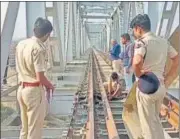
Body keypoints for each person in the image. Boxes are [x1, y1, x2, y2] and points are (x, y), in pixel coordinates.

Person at [130, 14, 178, 139]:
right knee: (155, 121)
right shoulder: (163, 41)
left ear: (138, 28)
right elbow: (176, 58)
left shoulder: (141, 42)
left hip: (147, 88)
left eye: (134, 30)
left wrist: (139, 74)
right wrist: (169, 77)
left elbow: (136, 62)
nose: (134, 33)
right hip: (161, 86)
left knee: (147, 126)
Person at [16, 17, 54, 139]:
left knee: (25, 129)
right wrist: (50, 85)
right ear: (47, 34)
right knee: (34, 130)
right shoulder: (38, 48)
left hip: (21, 89)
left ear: (34, 30)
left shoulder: (21, 44)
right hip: (33, 92)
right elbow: (40, 77)